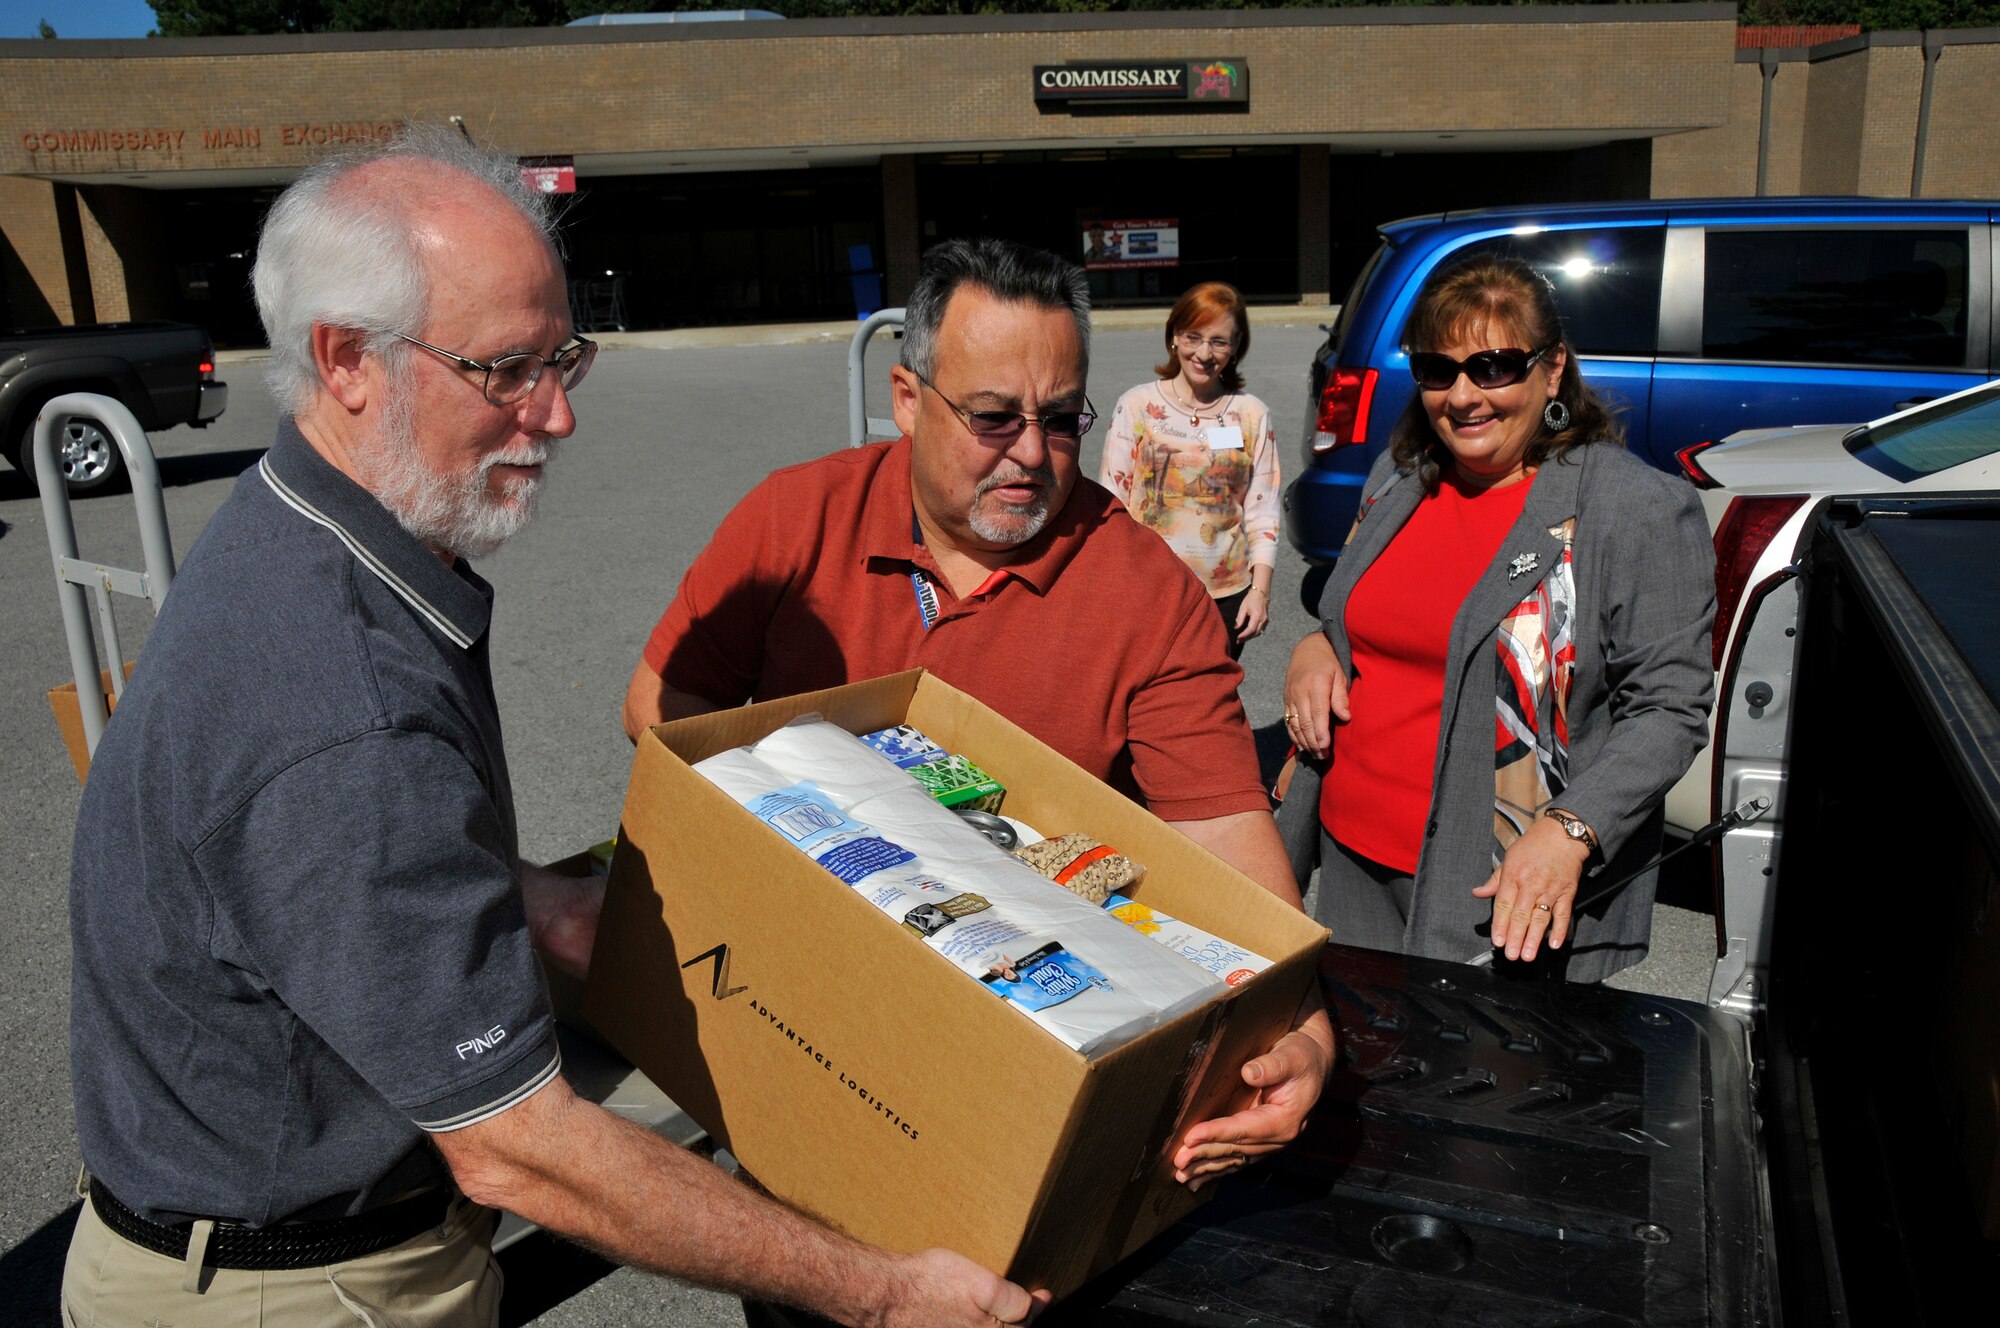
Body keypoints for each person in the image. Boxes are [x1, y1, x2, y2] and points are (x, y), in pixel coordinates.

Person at [63, 129, 1042, 1328]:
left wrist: (555, 910)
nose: (558, 415)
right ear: (346, 360)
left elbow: (352, 879)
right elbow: (521, 1148)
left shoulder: (302, 527)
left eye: (564, 356)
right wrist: (884, 1290)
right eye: (508, 369)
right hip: (304, 1288)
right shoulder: (343, 703)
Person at [624, 236, 1332, 1180]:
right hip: (792, 1001)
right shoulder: (795, 519)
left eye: (1063, 420)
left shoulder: (1147, 593)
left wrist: (1305, 1026)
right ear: (908, 399)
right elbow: (662, 707)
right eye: (995, 418)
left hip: (1015, 1046)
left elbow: (1224, 841)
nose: (1033, 456)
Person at [1281, 255, 1714, 983]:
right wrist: (1315, 647)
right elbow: (1357, 614)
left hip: (1503, 883)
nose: (1462, 396)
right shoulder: (1402, 477)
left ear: (1552, 371)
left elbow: (1671, 707)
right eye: (1437, 370)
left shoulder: (1630, 507)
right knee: (1358, 1076)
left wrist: (1574, 828)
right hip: (1352, 854)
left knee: (1483, 1088)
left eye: (1494, 367)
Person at [1098, 281, 1281, 660]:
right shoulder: (1137, 406)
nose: (1203, 353)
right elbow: (1111, 500)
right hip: (1147, 592)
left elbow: (1262, 511)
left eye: (1219, 341)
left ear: (1236, 347)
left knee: (1210, 705)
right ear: (1174, 337)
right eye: (1193, 336)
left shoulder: (1251, 415)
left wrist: (1259, 592)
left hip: (1225, 595)